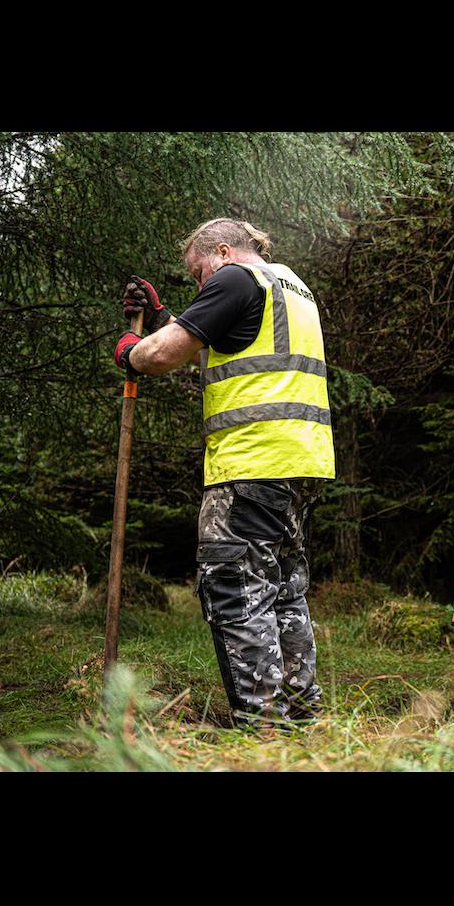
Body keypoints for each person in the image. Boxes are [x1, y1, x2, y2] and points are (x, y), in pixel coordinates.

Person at [112, 218, 334, 731]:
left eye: (198, 273)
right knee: (283, 594)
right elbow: (229, 346)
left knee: (236, 590)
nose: (200, 285)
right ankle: (304, 722)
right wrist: (170, 315)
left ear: (222, 250)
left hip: (251, 462)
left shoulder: (233, 280)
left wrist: (131, 349)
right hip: (301, 463)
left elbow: (164, 354)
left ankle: (263, 731)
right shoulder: (292, 287)